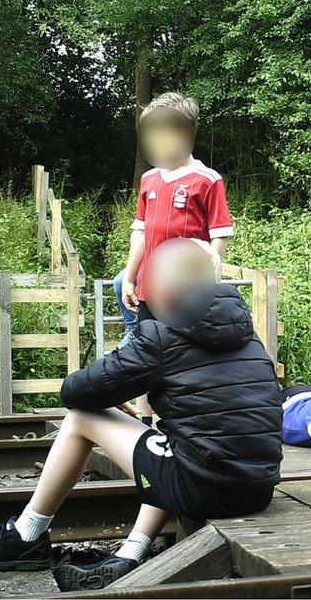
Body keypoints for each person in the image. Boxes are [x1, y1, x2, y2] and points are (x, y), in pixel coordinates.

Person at [0, 239, 283, 591]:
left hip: (207, 488)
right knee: (169, 444)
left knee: (80, 419)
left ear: (157, 290)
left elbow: (75, 392)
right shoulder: (248, 336)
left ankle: (26, 535)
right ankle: (130, 554)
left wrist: (144, 325)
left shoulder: (162, 336)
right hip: (257, 488)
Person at [118, 91, 235, 423]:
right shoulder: (149, 179)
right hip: (150, 289)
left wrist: (205, 283)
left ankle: (185, 421)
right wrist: (130, 276)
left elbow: (219, 236)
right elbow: (140, 231)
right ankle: (145, 421)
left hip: (187, 292)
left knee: (186, 356)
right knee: (145, 350)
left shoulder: (207, 180)